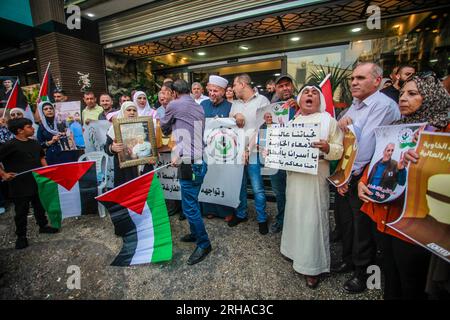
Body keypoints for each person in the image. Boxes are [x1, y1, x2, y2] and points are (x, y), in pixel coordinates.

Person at [358, 72, 449, 299]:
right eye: (402, 93)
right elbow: (377, 161)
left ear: (431, 97)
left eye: (412, 94)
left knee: (412, 283)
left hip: (414, 224)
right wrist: (362, 182)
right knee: (390, 275)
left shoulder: (442, 132)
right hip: (384, 216)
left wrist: (423, 160)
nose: (403, 98)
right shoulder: (395, 127)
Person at [333, 62, 400, 293]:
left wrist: (348, 177)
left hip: (366, 175)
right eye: (353, 78)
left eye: (360, 78)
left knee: (363, 229)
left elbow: (366, 145)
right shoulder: (355, 105)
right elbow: (341, 134)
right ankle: (349, 260)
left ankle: (363, 274)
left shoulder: (382, 105)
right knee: (347, 223)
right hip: (347, 173)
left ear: (377, 81)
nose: (354, 82)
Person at [281, 84, 343, 289]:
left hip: (315, 181)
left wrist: (327, 148)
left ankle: (312, 267)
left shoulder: (329, 121)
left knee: (312, 220)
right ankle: (294, 253)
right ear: (300, 99)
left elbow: (339, 150)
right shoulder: (294, 121)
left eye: (314, 92)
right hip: (295, 179)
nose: (309, 95)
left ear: (320, 100)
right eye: (306, 92)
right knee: (296, 216)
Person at [160, 79, 211, 265]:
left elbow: (164, 127)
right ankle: (195, 233)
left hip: (189, 163)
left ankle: (204, 243)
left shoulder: (174, 104)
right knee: (191, 201)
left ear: (173, 93)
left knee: (190, 206)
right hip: (199, 160)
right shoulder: (198, 106)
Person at [0, 118, 59, 249]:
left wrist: (48, 171)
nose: (32, 129)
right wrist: (4, 174)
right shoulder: (10, 145)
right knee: (21, 210)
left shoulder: (34, 143)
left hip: (36, 181)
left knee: (39, 205)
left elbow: (41, 157)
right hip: (19, 185)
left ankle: (43, 225)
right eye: (29, 127)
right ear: (19, 131)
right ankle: (21, 236)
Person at [229, 74, 270, 234]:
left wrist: (248, 150)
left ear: (243, 84)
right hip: (237, 151)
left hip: (254, 152)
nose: (233, 88)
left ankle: (261, 219)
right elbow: (230, 122)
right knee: (239, 186)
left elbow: (262, 128)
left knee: (257, 187)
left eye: (235, 84)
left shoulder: (262, 101)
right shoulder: (235, 103)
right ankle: (241, 214)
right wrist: (235, 115)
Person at [264, 74, 298, 233]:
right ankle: (281, 220)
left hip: (296, 157)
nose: (285, 88)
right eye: (281, 86)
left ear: (292, 86)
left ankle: (296, 225)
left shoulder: (303, 103)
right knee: (279, 192)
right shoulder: (272, 108)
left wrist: (299, 107)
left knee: (297, 193)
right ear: (276, 89)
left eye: (287, 85)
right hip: (276, 157)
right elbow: (265, 131)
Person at [200, 75, 234, 221]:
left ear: (223, 91)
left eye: (216, 91)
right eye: (210, 90)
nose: (212, 93)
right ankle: (209, 209)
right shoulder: (203, 104)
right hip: (206, 149)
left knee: (223, 180)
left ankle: (226, 211)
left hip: (223, 150)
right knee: (208, 179)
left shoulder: (230, 106)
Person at [105, 102, 154, 188]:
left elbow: (150, 146)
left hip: (143, 167)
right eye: (129, 110)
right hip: (125, 170)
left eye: (134, 110)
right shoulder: (114, 128)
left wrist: (152, 155)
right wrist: (112, 148)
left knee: (145, 195)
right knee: (127, 195)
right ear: (123, 111)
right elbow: (106, 148)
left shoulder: (144, 126)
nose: (132, 112)